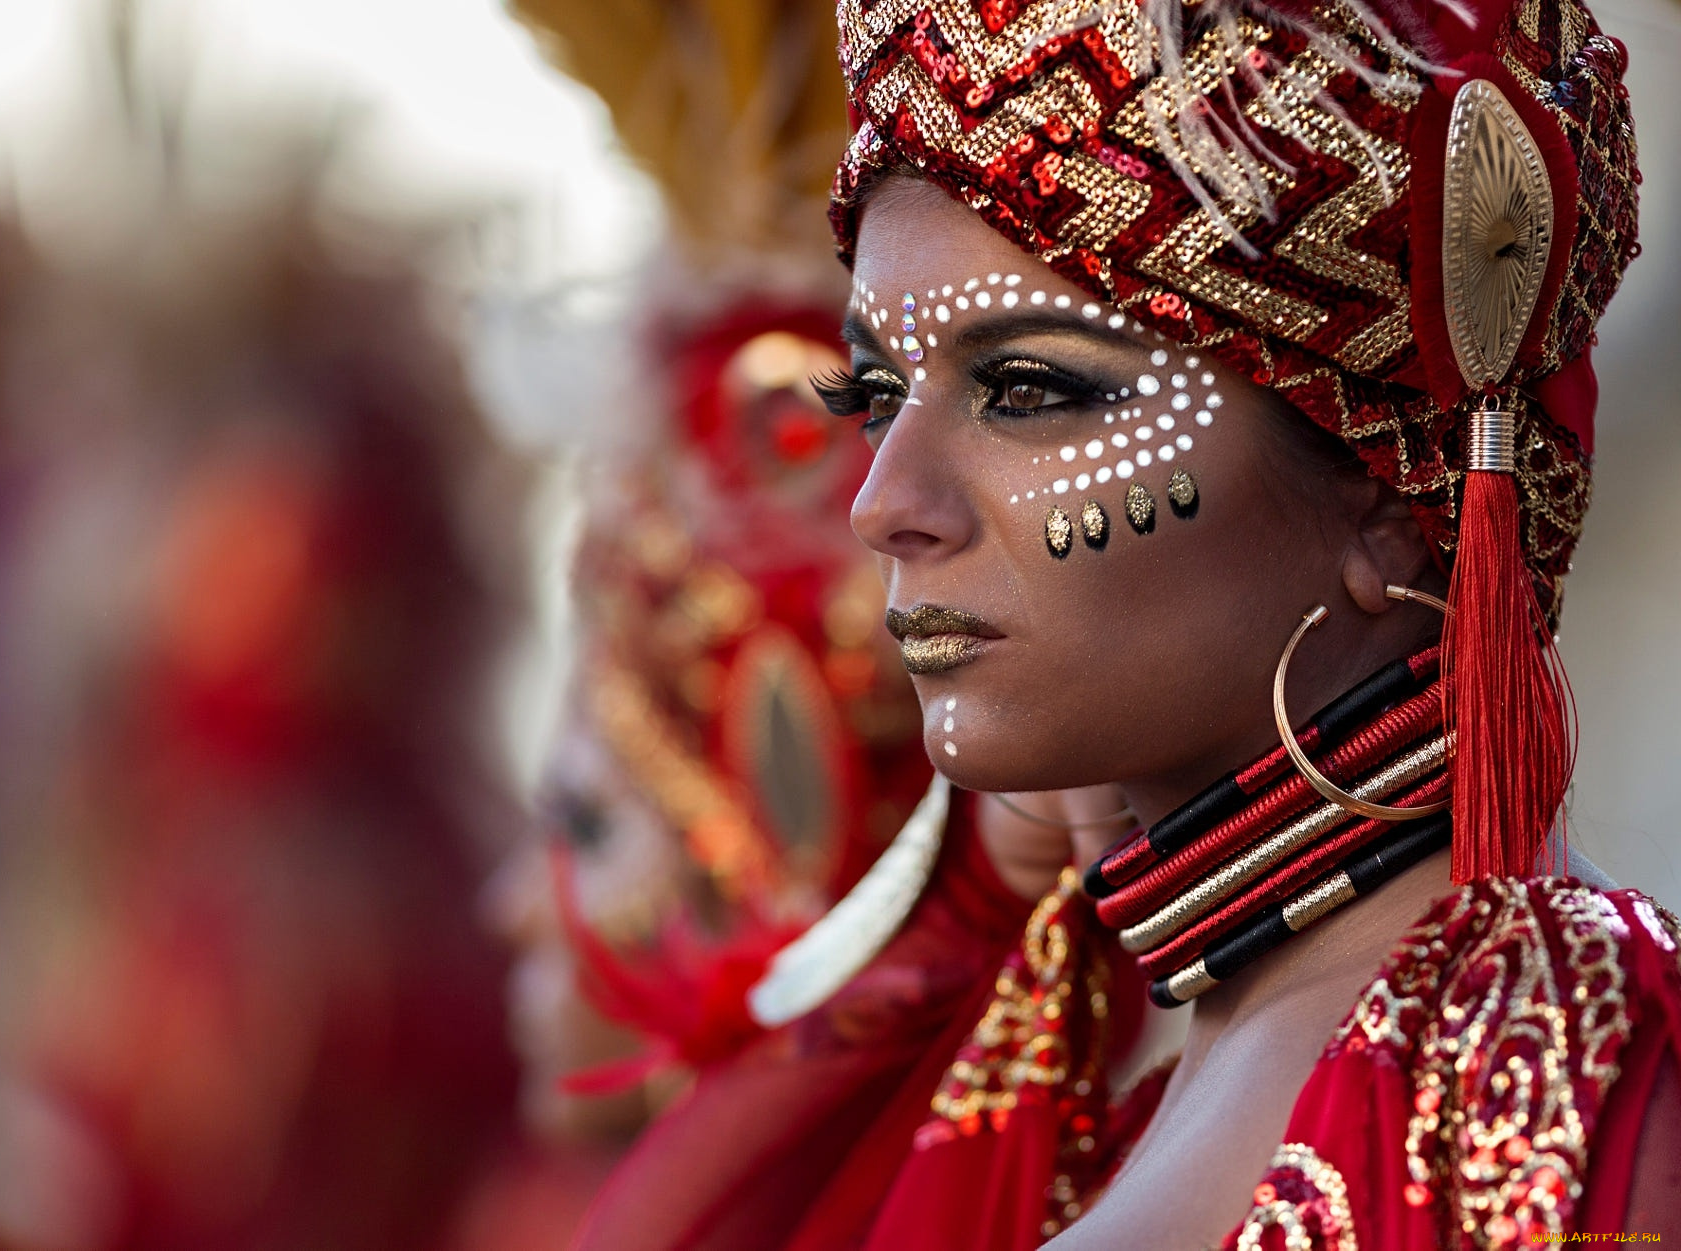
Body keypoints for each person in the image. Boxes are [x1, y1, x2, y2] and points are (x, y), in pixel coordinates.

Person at [575, 0, 1681, 1244]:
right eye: (875, 393)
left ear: (1383, 491)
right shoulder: (1127, 1078)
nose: (885, 503)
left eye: (1027, 390)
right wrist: (966, 914)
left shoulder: (1541, 1062)